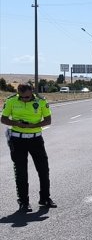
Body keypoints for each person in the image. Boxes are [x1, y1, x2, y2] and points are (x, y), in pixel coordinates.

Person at [1, 83, 55, 211]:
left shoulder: (41, 101)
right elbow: (3, 119)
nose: (26, 99)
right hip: (17, 140)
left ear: (32, 92)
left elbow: (48, 120)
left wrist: (31, 126)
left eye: (28, 97)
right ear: (18, 93)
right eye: (23, 97)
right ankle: (24, 201)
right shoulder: (11, 101)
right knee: (21, 172)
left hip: (35, 139)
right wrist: (16, 123)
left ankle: (45, 198)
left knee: (43, 169)